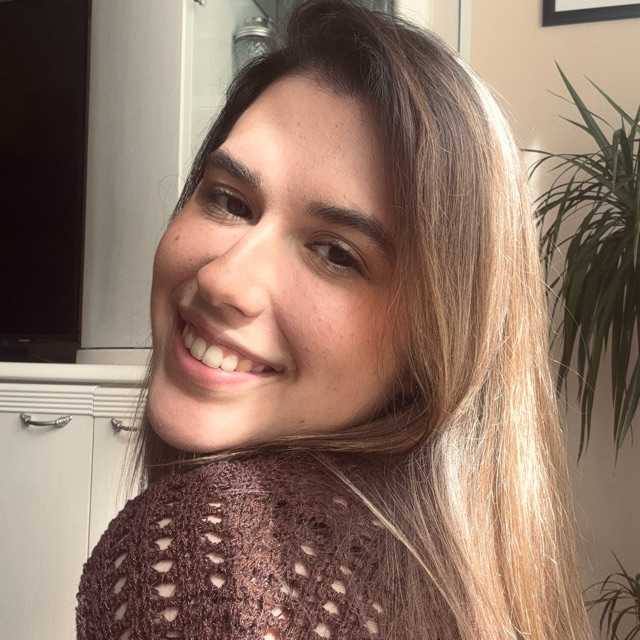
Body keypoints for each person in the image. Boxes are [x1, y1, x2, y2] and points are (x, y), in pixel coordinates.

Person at [75, 1, 593, 639]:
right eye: (230, 201)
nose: (223, 280)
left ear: (434, 348)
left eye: (336, 254)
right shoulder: (441, 577)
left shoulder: (204, 554)